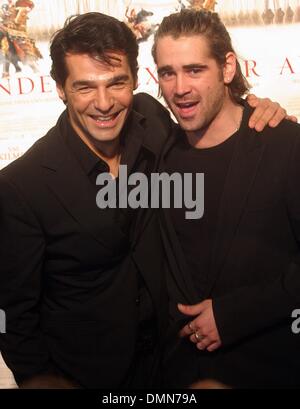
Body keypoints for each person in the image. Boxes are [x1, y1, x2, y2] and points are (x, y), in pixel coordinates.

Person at [0, 11, 294, 389]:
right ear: (60, 87)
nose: (104, 103)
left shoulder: (152, 122)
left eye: (117, 83)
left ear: (136, 81)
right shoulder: (21, 185)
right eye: (85, 87)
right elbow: (14, 318)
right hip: (89, 378)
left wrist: (260, 108)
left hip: (173, 368)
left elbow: (218, 115)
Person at [152, 9, 300, 388]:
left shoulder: (285, 144)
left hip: (270, 366)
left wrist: (234, 315)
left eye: (195, 70)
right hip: (179, 374)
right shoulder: (155, 149)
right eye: (167, 72)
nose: (179, 87)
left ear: (227, 68)